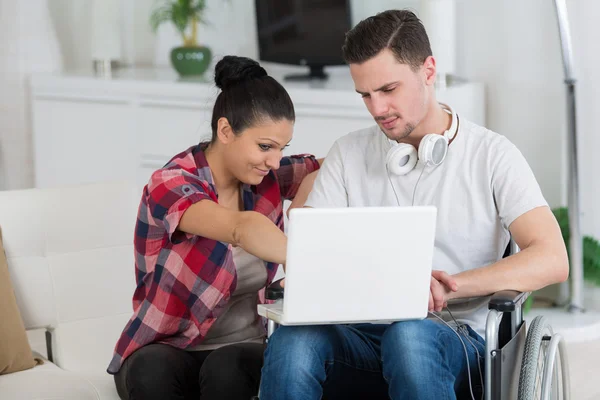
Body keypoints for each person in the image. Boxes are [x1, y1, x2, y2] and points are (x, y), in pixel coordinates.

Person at [259, 9, 569, 400]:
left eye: (388, 90)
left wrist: (448, 288)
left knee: (409, 335)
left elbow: (552, 258)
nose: (376, 109)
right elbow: (311, 256)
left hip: (451, 335)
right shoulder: (347, 154)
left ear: (428, 70)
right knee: (293, 341)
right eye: (365, 95)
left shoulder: (492, 155)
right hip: (358, 334)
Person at [107, 55, 322, 400]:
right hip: (166, 347)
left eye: (283, 148)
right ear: (225, 131)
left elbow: (334, 164)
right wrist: (309, 260)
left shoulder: (267, 177)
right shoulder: (170, 183)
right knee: (152, 370)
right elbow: (240, 227)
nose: (275, 161)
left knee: (227, 368)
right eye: (265, 146)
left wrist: (301, 214)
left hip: (242, 349)